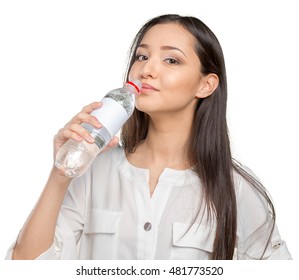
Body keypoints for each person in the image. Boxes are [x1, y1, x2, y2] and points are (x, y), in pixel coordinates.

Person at [6, 14, 291, 260]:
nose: (147, 70)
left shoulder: (234, 188)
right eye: (142, 56)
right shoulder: (94, 172)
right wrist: (61, 173)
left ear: (206, 84)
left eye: (171, 60)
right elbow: (27, 267)